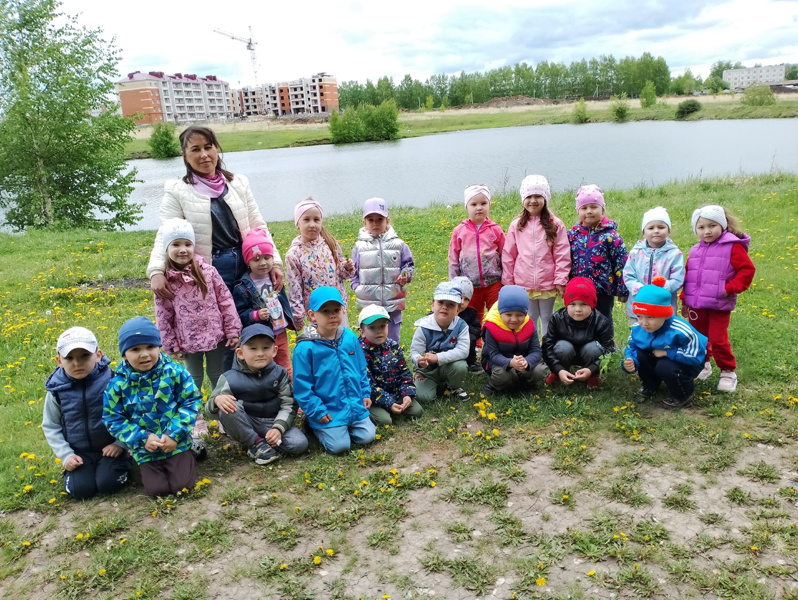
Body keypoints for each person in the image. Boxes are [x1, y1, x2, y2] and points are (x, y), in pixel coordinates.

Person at [147, 126, 283, 296]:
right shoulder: (177, 191)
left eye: (208, 147)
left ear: (216, 148)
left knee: (255, 314)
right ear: (184, 155)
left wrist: (275, 263)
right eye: (196, 149)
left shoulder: (238, 183)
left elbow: (258, 226)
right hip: (209, 269)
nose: (204, 154)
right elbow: (166, 233)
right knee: (219, 320)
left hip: (248, 264)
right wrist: (156, 271)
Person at [103, 317, 202, 497]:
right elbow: (112, 418)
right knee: (157, 490)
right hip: (145, 449)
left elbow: (191, 401)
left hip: (176, 442)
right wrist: (142, 439)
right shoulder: (117, 385)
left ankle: (191, 452)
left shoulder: (175, 372)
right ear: (124, 354)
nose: (144, 354)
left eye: (150, 347)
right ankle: (143, 465)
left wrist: (174, 434)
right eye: (135, 349)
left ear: (159, 347)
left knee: (183, 486)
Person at [153, 218, 242, 393]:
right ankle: (193, 415)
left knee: (217, 373)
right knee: (193, 376)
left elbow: (226, 301)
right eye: (176, 244)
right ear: (166, 249)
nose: (182, 250)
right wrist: (169, 343)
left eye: (187, 244)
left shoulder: (208, 272)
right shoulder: (165, 280)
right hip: (187, 339)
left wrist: (232, 330)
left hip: (215, 336)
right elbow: (163, 315)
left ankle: (220, 412)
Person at [42, 327, 131, 500]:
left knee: (108, 484)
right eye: (69, 358)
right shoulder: (56, 391)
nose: (77, 363)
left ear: (98, 355)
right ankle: (83, 473)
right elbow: (51, 426)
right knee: (79, 491)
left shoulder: (113, 381)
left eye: (85, 355)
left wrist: (120, 444)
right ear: (59, 360)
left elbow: (131, 414)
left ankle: (125, 460)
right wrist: (66, 455)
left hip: (111, 448)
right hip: (78, 453)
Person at [206, 324, 307, 465]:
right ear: (240, 353)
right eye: (253, 348)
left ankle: (264, 440)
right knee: (229, 406)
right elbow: (210, 412)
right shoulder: (229, 378)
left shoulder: (280, 373)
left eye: (265, 348)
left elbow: (289, 403)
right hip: (247, 420)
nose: (260, 353)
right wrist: (216, 400)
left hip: (272, 420)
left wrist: (278, 428)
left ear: (274, 350)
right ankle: (255, 443)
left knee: (299, 444)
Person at [292, 287, 376, 454]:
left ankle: (345, 425)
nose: (332, 315)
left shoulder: (350, 337)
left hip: (354, 405)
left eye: (336, 310)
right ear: (312, 315)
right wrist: (317, 411)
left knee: (368, 436)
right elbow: (302, 387)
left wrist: (365, 393)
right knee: (340, 446)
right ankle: (314, 425)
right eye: (325, 311)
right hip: (328, 410)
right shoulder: (305, 348)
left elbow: (361, 369)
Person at [681, 205, 755, 392]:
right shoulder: (695, 249)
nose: (707, 231)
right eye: (701, 227)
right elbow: (689, 276)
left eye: (712, 225)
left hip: (719, 304)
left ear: (722, 225)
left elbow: (747, 270)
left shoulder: (732, 246)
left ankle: (728, 371)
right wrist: (685, 300)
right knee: (698, 337)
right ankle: (703, 364)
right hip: (697, 305)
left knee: (718, 338)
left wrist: (730, 288)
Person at [502, 175, 570, 337]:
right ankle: (532, 349)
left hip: (547, 281)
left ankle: (547, 348)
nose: (533, 200)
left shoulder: (555, 224)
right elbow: (508, 255)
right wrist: (508, 282)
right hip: (523, 282)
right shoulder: (517, 225)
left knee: (548, 316)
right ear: (523, 199)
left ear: (545, 198)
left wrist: (561, 279)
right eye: (529, 196)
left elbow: (562, 253)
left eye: (538, 196)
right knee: (529, 318)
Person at [623, 278, 708, 408]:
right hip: (657, 356)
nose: (644, 323)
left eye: (650, 317)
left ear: (665, 315)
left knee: (664, 367)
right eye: (639, 316)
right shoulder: (637, 329)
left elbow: (696, 356)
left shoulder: (681, 331)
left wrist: (668, 353)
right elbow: (633, 347)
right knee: (641, 354)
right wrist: (630, 361)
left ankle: (683, 394)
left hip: (685, 362)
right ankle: (650, 385)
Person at [567, 184, 628, 342]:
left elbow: (621, 263)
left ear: (602, 210)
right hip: (579, 288)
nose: (589, 211)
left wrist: (622, 289)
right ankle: (584, 347)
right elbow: (566, 260)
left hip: (603, 289)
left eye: (594, 207)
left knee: (604, 318)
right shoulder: (572, 235)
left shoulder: (611, 236)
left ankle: (607, 348)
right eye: (584, 207)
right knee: (580, 318)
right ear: (578, 211)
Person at [350, 197, 415, 342]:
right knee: (369, 338)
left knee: (392, 338)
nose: (375, 223)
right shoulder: (359, 247)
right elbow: (352, 273)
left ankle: (394, 363)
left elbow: (409, 265)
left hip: (393, 303)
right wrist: (357, 288)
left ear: (387, 220)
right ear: (364, 222)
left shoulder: (399, 245)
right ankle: (369, 363)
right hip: (369, 303)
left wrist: (406, 276)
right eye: (370, 220)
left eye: (379, 219)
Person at [233, 229, 295, 377]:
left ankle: (291, 396)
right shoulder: (242, 287)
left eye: (267, 257)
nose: (263, 263)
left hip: (280, 332)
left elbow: (284, 302)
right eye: (257, 259)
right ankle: (268, 396)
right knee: (261, 369)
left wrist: (293, 318)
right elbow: (239, 313)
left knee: (286, 366)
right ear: (247, 261)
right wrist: (255, 315)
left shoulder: (275, 279)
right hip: (259, 337)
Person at [286, 198, 355, 331]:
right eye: (306, 219)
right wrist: (298, 315)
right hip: (316, 310)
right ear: (297, 224)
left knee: (342, 340)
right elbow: (294, 288)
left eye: (316, 220)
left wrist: (347, 269)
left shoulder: (330, 243)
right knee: (322, 345)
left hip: (336, 306)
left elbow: (341, 274)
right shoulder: (294, 254)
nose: (312, 224)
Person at [448, 184, 505, 327]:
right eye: (474, 204)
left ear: (489, 205)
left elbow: (505, 255)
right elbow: (453, 258)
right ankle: (477, 344)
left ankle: (494, 341)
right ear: (466, 207)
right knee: (473, 315)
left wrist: (507, 278)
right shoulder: (459, 231)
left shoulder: (496, 230)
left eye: (483, 203)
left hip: (494, 282)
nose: (479, 207)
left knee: (496, 312)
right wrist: (454, 283)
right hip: (469, 284)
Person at [542, 277, 614, 389]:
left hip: (589, 355)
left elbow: (609, 350)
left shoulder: (601, 321)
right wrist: (558, 369)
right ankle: (559, 373)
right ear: (566, 304)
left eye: (584, 304)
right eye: (573, 304)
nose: (578, 309)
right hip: (565, 353)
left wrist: (592, 369)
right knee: (562, 347)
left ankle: (592, 376)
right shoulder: (556, 319)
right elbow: (547, 346)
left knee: (593, 348)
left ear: (593, 304)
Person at [358, 304, 424, 426]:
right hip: (373, 398)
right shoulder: (359, 351)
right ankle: (380, 410)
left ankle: (396, 405)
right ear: (362, 332)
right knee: (385, 420)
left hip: (395, 391)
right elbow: (368, 384)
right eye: (372, 328)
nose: (378, 331)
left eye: (382, 326)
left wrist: (407, 394)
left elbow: (405, 373)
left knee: (417, 411)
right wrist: (388, 402)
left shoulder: (392, 345)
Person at [481, 285, 547, 396]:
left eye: (519, 315)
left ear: (525, 314)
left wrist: (527, 361)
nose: (514, 319)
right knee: (502, 375)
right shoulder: (491, 327)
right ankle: (494, 385)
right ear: (500, 312)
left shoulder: (529, 325)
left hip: (522, 362)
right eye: (508, 314)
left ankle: (526, 384)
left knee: (540, 370)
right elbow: (493, 355)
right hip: (499, 363)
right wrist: (510, 363)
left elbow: (536, 351)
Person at [623, 206, 685, 324]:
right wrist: (640, 289)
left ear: (668, 231)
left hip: (663, 304)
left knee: (663, 335)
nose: (656, 231)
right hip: (639, 303)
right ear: (643, 233)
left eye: (661, 227)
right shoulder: (636, 252)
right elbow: (628, 275)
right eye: (651, 228)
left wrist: (660, 289)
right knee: (638, 334)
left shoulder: (674, 254)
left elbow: (678, 279)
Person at [410, 281, 470, 402]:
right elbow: (415, 352)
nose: (444, 307)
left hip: (448, 366)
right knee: (424, 398)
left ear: (458, 309)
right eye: (440, 302)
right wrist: (419, 360)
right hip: (427, 371)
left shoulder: (462, 326)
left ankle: (453, 386)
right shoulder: (423, 327)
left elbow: (463, 351)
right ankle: (426, 381)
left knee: (460, 366)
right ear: (433, 305)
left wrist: (437, 357)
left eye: (451, 305)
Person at [451, 276, 482, 373]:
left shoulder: (471, 313)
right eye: (460, 298)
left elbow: (478, 330)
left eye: (466, 299)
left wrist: (465, 328)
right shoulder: (445, 309)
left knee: (471, 338)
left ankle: (471, 361)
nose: (462, 302)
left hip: (464, 339)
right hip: (447, 340)